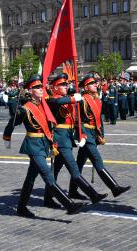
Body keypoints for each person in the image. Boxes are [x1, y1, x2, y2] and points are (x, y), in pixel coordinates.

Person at [3, 75, 82, 217]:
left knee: (31, 178)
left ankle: (21, 207)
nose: (41, 89)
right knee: (47, 174)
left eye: (41, 87)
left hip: (44, 144)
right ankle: (69, 205)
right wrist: (7, 138)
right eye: (37, 87)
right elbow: (11, 123)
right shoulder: (25, 109)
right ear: (30, 90)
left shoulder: (44, 105)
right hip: (33, 145)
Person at [44, 74, 107, 207]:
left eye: (66, 85)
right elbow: (57, 102)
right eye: (62, 85)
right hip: (59, 139)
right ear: (55, 87)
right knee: (74, 168)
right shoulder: (52, 100)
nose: (66, 86)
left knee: (55, 170)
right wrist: (73, 98)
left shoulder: (66, 99)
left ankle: (47, 198)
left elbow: (76, 120)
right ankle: (93, 195)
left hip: (68, 138)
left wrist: (81, 135)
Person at [67, 74, 131, 200]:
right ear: (85, 87)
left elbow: (99, 120)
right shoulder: (82, 100)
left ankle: (72, 191)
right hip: (86, 135)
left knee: (79, 163)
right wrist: (82, 135)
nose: (96, 85)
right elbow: (76, 119)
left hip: (93, 134)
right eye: (92, 83)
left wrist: (101, 134)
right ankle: (114, 187)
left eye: (95, 83)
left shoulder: (96, 99)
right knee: (97, 161)